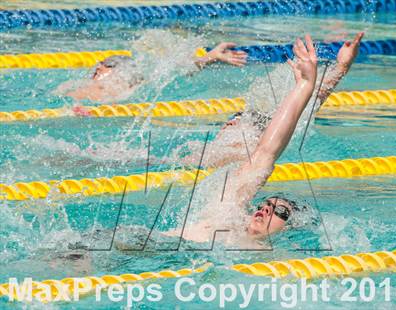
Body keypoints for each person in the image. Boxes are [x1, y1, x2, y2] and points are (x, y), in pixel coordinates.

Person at [164, 33, 360, 246]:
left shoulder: (265, 256)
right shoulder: (223, 216)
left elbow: (293, 122)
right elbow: (267, 151)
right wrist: (305, 85)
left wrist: (336, 71)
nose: (266, 208)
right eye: (267, 204)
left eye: (281, 212)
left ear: (288, 228)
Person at [176, 32, 364, 169]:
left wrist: (340, 68)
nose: (233, 120)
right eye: (236, 118)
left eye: (238, 119)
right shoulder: (204, 152)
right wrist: (341, 67)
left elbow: (299, 112)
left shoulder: (249, 153)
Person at [57, 42, 248, 104]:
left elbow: (172, 72)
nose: (97, 68)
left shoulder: (126, 90)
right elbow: (172, 73)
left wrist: (210, 57)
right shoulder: (80, 87)